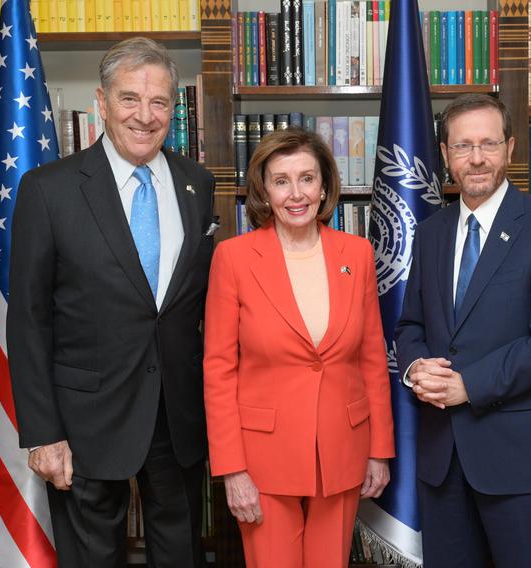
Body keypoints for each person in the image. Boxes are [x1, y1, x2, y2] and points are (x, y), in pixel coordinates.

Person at [7, 37, 216, 567]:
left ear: (175, 107)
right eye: (129, 99)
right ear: (101, 103)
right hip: (83, 422)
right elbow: (29, 318)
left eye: (159, 102)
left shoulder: (198, 184)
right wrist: (42, 433)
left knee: (181, 553)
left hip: (178, 416)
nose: (145, 116)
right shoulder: (48, 189)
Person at [395, 93, 531, 567]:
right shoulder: (432, 231)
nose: (476, 158)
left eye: (488, 144)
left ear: (510, 148)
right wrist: (417, 367)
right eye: (463, 146)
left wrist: (468, 385)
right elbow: (412, 323)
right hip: (443, 460)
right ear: (445, 155)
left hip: (520, 463)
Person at [203, 128, 395, 568]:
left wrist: (378, 451)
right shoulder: (233, 258)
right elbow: (218, 370)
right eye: (281, 180)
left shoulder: (358, 253)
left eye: (307, 178)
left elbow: (370, 356)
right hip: (262, 461)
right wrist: (233, 469)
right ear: (264, 190)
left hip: (342, 451)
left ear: (324, 185)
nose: (296, 194)